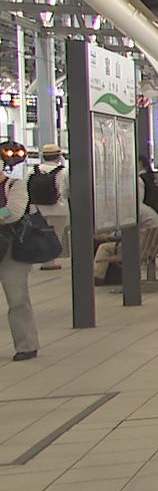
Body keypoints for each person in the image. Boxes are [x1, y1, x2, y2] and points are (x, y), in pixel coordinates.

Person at [0, 172, 38, 361]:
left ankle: (27, 345)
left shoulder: (14, 185)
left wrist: (2, 213)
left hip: (11, 250)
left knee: (17, 298)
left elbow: (13, 211)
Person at [28, 144, 67, 271]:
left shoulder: (32, 171)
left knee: (39, 235)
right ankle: (49, 263)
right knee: (56, 235)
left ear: (43, 157)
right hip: (58, 209)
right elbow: (67, 191)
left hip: (37, 209)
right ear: (58, 157)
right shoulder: (63, 172)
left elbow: (26, 189)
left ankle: (38, 259)